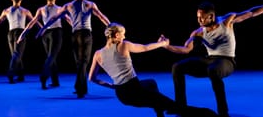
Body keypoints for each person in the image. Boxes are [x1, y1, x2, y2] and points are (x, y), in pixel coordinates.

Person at [161, 0, 263, 117]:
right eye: (198, 18)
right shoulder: (198, 32)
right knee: (177, 67)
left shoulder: (227, 21)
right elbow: (185, 49)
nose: (199, 21)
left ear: (211, 16)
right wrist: (167, 46)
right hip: (209, 60)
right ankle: (180, 107)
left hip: (226, 61)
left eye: (202, 18)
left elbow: (251, 12)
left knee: (213, 70)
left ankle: (223, 112)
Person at [88, 22, 218, 117]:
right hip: (135, 91)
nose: (124, 37)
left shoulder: (97, 54)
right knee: (175, 107)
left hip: (122, 95)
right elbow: (145, 48)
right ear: (116, 35)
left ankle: (160, 111)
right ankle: (207, 114)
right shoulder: (123, 45)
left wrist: (113, 86)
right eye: (123, 35)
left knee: (151, 83)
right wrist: (163, 43)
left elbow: (91, 78)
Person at [36, 0, 111, 98]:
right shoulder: (90, 4)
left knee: (80, 63)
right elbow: (102, 17)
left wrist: (42, 29)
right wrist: (111, 27)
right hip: (86, 34)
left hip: (75, 35)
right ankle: (80, 88)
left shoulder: (68, 5)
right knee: (83, 62)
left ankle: (82, 88)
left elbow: (53, 19)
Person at [17, 0, 72, 89]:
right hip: (56, 33)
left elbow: (31, 23)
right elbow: (69, 20)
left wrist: (22, 34)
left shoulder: (41, 9)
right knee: (51, 57)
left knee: (51, 56)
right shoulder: (59, 8)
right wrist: (77, 29)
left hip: (46, 34)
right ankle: (43, 77)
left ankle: (55, 81)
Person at [0, 0, 42, 84]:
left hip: (12, 33)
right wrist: (43, 29)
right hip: (19, 33)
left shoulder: (6, 10)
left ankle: (20, 75)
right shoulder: (25, 11)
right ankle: (11, 74)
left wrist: (42, 28)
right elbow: (35, 21)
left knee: (16, 54)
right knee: (16, 54)